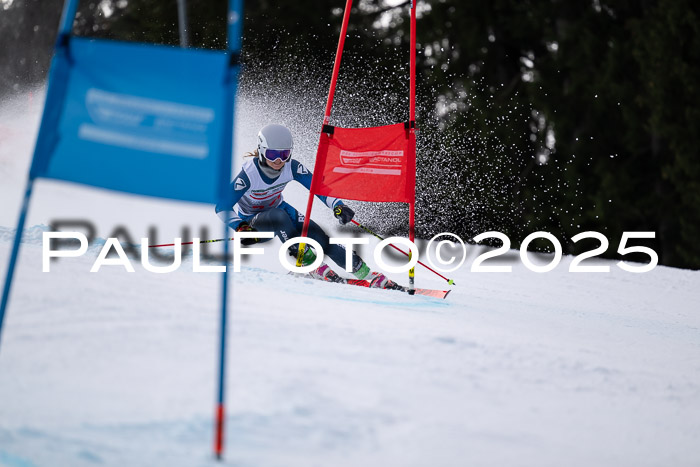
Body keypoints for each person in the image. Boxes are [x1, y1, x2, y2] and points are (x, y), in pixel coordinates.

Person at [215, 123, 393, 288]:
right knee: (279, 216)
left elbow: (317, 187)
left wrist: (338, 205)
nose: (278, 161)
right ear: (261, 151)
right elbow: (221, 206)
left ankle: (365, 273)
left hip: (281, 211)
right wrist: (240, 226)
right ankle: (309, 264)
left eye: (284, 154)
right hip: (256, 224)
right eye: (272, 154)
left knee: (319, 237)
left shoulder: (291, 167)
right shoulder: (249, 174)